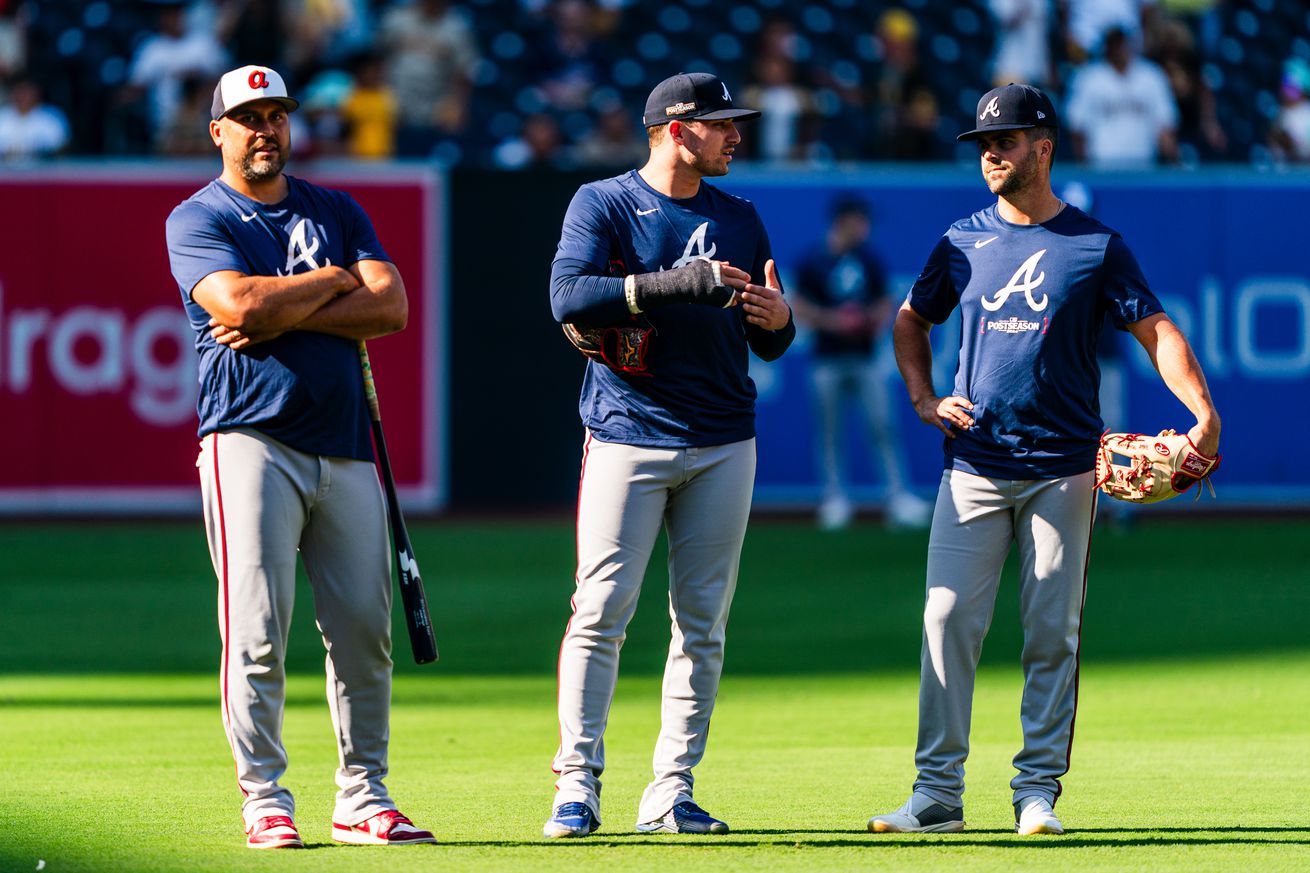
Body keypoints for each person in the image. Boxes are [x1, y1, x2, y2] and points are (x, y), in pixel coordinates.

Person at [868, 83, 1220, 836]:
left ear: (1044, 147)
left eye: (1005, 140)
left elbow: (1155, 331)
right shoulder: (961, 240)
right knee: (944, 620)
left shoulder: (1096, 245)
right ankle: (936, 795)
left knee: (1051, 633)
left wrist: (1202, 412)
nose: (991, 153)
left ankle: (1036, 792)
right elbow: (909, 319)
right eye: (983, 144)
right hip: (973, 465)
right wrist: (926, 399)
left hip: (1064, 468)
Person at [164, 65, 434, 850]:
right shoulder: (197, 217)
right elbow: (238, 306)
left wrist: (284, 304)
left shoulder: (335, 205)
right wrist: (330, 280)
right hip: (247, 435)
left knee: (363, 631)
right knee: (255, 628)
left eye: (276, 114)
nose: (265, 129)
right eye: (248, 117)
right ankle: (265, 797)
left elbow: (391, 305)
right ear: (218, 130)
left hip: (344, 443)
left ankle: (363, 796)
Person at [545, 72, 795, 839]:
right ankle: (577, 784)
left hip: (724, 437)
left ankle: (671, 788)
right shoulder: (606, 202)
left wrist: (781, 322)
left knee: (703, 624)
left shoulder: (741, 216)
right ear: (677, 128)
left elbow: (768, 338)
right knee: (599, 612)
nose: (736, 136)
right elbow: (567, 297)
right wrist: (675, 282)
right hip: (628, 429)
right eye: (722, 124)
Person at [790, 195, 931, 530]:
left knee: (883, 426)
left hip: (866, 359)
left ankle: (897, 497)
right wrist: (835, 320)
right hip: (827, 360)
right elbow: (800, 306)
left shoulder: (870, 259)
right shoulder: (813, 260)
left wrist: (868, 319)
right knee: (830, 432)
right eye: (859, 221)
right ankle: (835, 498)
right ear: (843, 221)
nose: (865, 228)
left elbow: (886, 302)